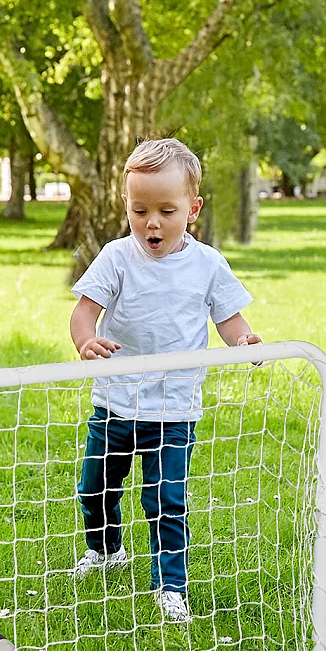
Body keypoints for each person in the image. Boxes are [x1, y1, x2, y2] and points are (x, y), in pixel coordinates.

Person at [68, 138, 262, 624]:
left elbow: (229, 321)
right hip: (114, 403)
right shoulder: (116, 257)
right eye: (139, 210)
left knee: (166, 500)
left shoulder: (208, 264)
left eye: (166, 211)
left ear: (192, 209)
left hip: (174, 410)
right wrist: (86, 341)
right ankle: (106, 550)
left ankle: (169, 584)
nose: (151, 223)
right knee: (95, 488)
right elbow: (84, 312)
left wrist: (244, 342)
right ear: (126, 206)